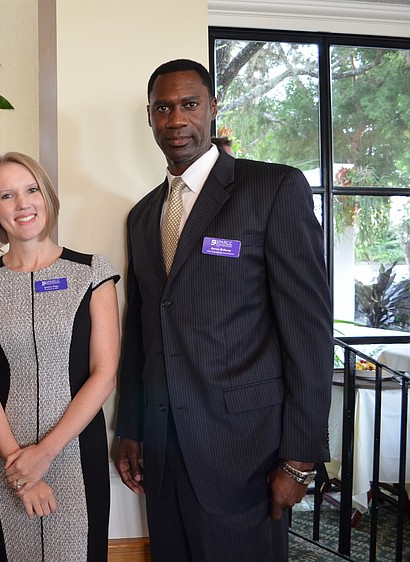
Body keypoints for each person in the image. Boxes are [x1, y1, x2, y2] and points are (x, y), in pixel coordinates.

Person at [114, 58, 333, 561]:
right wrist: (131, 427)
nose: (176, 120)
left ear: (212, 109)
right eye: (163, 108)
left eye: (189, 104)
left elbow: (308, 331)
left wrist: (299, 459)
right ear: (149, 117)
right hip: (164, 454)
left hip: (247, 454)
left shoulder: (273, 189)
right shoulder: (144, 215)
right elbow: (143, 331)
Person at [0, 152, 120, 562]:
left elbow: (104, 374)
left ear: (47, 196)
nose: (23, 204)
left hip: (73, 456)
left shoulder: (92, 272)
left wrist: (44, 454)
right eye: (7, 196)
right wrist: (20, 469)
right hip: (2, 457)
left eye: (31, 190)